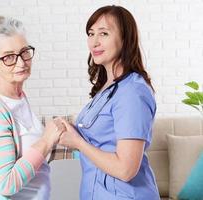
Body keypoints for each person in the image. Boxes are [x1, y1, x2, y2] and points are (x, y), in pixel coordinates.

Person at [58, 5, 160, 200]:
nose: (94, 42)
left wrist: (78, 142)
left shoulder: (132, 92)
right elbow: (102, 139)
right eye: (91, 33)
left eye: (103, 33)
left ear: (125, 38)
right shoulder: (108, 87)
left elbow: (125, 169)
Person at [0, 16, 64, 200]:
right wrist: (46, 141)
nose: (21, 62)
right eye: (9, 57)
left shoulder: (17, 95)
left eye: (24, 52)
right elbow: (6, 184)